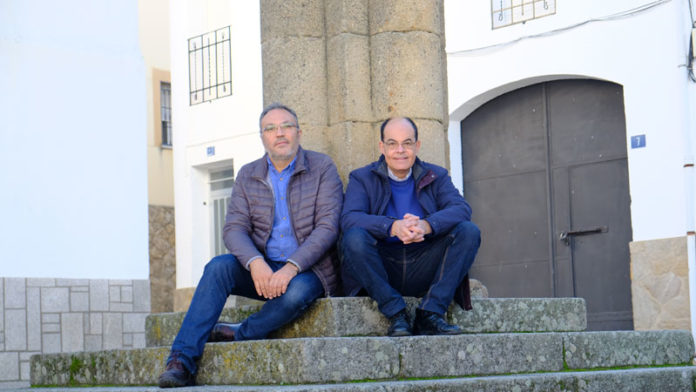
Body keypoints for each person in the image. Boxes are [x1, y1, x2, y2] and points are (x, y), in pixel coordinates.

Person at [158, 103, 343, 388]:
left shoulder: (322, 167)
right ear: (262, 137)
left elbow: (328, 228)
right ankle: (182, 361)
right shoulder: (248, 174)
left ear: (299, 132)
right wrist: (255, 262)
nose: (279, 134)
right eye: (270, 129)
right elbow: (234, 228)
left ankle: (241, 332)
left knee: (296, 294)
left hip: (309, 270)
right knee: (218, 267)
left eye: (286, 127)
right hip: (263, 267)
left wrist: (291, 267)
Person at [339, 116, 480, 337]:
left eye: (407, 142)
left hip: (424, 262)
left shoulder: (436, 175)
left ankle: (430, 313)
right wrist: (392, 227)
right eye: (392, 143)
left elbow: (462, 209)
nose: (400, 150)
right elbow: (349, 218)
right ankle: (396, 314)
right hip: (384, 266)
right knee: (353, 238)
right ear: (382, 147)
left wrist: (426, 225)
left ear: (417, 145)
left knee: (469, 231)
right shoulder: (362, 178)